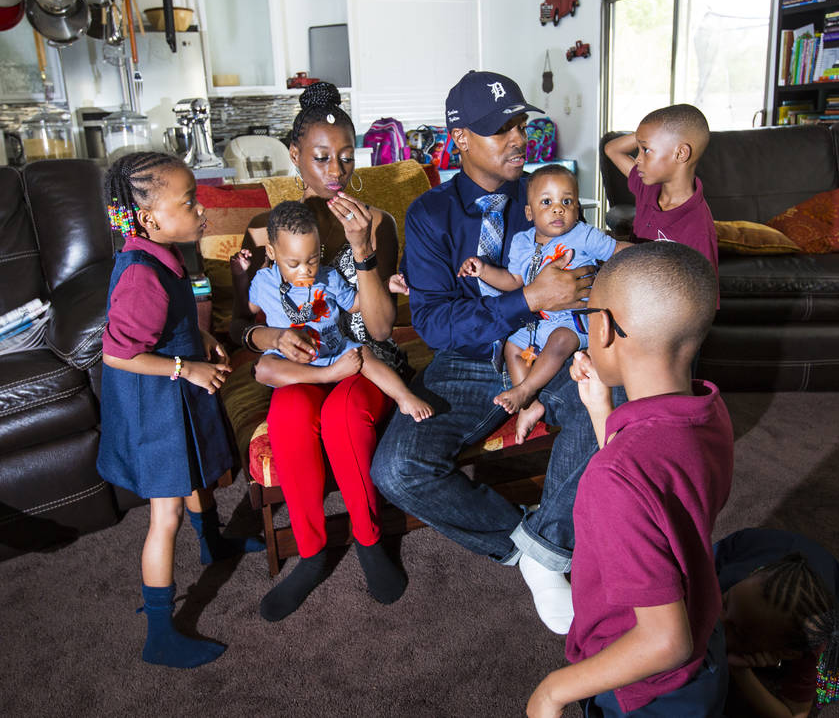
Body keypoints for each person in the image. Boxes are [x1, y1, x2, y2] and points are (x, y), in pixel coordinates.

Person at [371, 70, 601, 635]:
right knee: (397, 470)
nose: (518, 138)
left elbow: (594, 270)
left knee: (609, 402)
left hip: (553, 345)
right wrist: (527, 296)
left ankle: (547, 551)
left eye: (521, 123)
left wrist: (581, 282)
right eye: (501, 129)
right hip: (470, 361)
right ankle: (531, 549)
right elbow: (433, 323)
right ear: (461, 140)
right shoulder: (429, 215)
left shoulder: (547, 193)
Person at [229, 82, 413, 620]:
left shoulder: (376, 222)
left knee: (344, 417)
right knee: (288, 414)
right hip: (303, 365)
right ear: (294, 156)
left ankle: (368, 537)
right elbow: (242, 322)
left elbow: (379, 325)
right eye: (322, 157)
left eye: (347, 158)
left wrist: (361, 253)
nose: (337, 171)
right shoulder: (264, 231)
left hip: (359, 356)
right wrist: (271, 337)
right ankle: (309, 552)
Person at [527, 241, 733, 717]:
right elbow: (647, 483)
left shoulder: (614, 476)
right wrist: (601, 410)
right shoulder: (707, 408)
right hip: (704, 637)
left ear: (600, 328)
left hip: (646, 687)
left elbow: (665, 641)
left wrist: (553, 691)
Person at [98, 151, 264, 669]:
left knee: (196, 474)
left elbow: (167, 323)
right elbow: (117, 352)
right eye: (188, 202)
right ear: (148, 219)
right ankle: (159, 632)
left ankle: (214, 543)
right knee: (164, 513)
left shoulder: (162, 254)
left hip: (173, 395)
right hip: (154, 407)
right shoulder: (140, 274)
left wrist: (201, 338)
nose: (200, 211)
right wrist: (186, 368)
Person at [458, 164, 630, 442]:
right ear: (530, 212)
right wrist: (483, 271)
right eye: (547, 202)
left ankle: (525, 391)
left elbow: (616, 251)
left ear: (577, 207)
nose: (558, 209)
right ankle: (530, 406)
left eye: (567, 201)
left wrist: (653, 252)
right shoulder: (522, 242)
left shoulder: (584, 235)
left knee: (560, 342)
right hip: (536, 320)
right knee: (511, 345)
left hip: (573, 321)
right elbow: (514, 281)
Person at [248, 200, 432, 422]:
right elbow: (250, 310)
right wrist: (241, 276)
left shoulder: (328, 278)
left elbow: (355, 304)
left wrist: (385, 285)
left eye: (312, 260)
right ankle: (327, 375)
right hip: (291, 360)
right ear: (272, 251)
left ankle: (404, 397)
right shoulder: (264, 281)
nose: (305, 270)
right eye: (294, 264)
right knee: (263, 368)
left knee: (364, 354)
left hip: (334, 350)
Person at [715, 528, 839, 718]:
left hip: (834, 588)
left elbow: (797, 714)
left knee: (829, 683)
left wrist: (741, 672)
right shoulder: (734, 586)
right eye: (723, 603)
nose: (718, 621)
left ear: (787, 653)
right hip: (759, 542)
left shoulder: (814, 646)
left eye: (737, 631)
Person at [602, 104, 719, 290]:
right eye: (638, 149)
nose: (638, 159)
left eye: (646, 150)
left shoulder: (699, 230)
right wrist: (646, 135)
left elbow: (704, 296)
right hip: (629, 288)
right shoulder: (648, 188)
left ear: (681, 153)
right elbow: (611, 149)